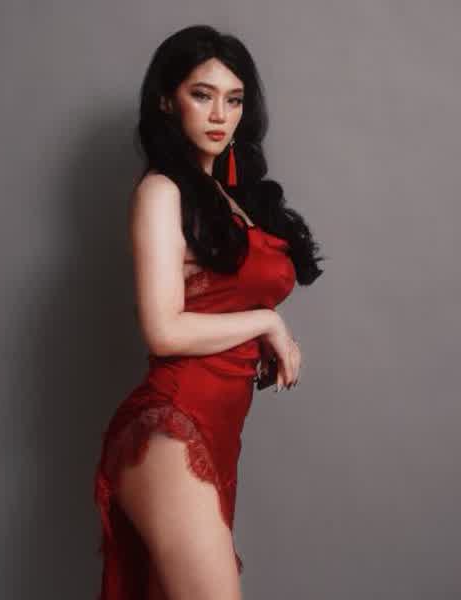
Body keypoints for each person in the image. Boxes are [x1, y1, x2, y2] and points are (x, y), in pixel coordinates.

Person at [93, 24, 324, 600]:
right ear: (166, 101)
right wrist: (268, 324)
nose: (220, 114)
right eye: (202, 95)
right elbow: (163, 329)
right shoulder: (162, 192)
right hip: (174, 424)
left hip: (220, 430)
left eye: (234, 99)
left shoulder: (226, 197)